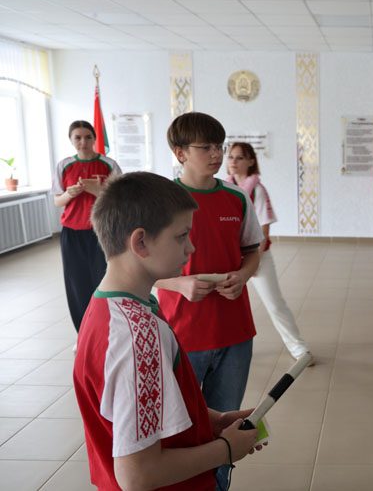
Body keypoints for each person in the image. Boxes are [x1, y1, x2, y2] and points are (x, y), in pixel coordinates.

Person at [73, 172, 262, 491]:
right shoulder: (137, 336)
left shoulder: (110, 305)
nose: (191, 247)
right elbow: (138, 475)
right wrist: (227, 449)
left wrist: (213, 421)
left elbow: (142, 408)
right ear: (140, 242)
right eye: (181, 236)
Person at [155, 112, 263, 488]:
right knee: (183, 426)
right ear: (180, 152)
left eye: (220, 146)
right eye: (206, 147)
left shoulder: (236, 197)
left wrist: (243, 276)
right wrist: (178, 284)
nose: (217, 154)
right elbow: (137, 265)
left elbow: (252, 251)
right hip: (182, 332)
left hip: (235, 333)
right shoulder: (161, 201)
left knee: (227, 426)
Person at [225, 142, 313, 363]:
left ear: (251, 161)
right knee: (226, 307)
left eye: (239, 157)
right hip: (230, 259)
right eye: (231, 157)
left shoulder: (257, 190)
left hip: (257, 258)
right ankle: (225, 352)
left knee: (274, 304)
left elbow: (264, 231)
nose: (233, 162)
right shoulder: (225, 189)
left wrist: (252, 263)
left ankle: (298, 348)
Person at [53, 120, 122, 335]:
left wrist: (98, 191)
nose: (83, 142)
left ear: (94, 138)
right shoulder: (64, 165)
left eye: (88, 137)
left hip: (102, 232)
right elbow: (57, 200)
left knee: (104, 279)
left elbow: (120, 199)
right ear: (71, 140)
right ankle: (83, 332)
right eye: (78, 137)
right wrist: (69, 194)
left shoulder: (108, 164)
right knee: (77, 283)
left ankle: (108, 329)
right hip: (72, 234)